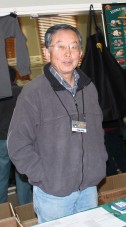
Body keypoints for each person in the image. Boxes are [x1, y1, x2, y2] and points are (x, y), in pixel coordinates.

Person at [7, 24, 108, 223]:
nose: (68, 53)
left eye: (73, 46)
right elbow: (17, 144)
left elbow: (97, 133)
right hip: (53, 194)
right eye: (60, 46)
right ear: (46, 52)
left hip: (89, 188)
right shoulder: (33, 93)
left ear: (81, 53)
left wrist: (99, 162)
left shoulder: (89, 88)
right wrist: (44, 177)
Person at [0, 66, 32, 205]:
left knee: (1, 175)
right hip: (20, 139)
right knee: (22, 175)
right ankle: (25, 206)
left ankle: (2, 207)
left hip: (2, 140)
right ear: (14, 77)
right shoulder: (22, 91)